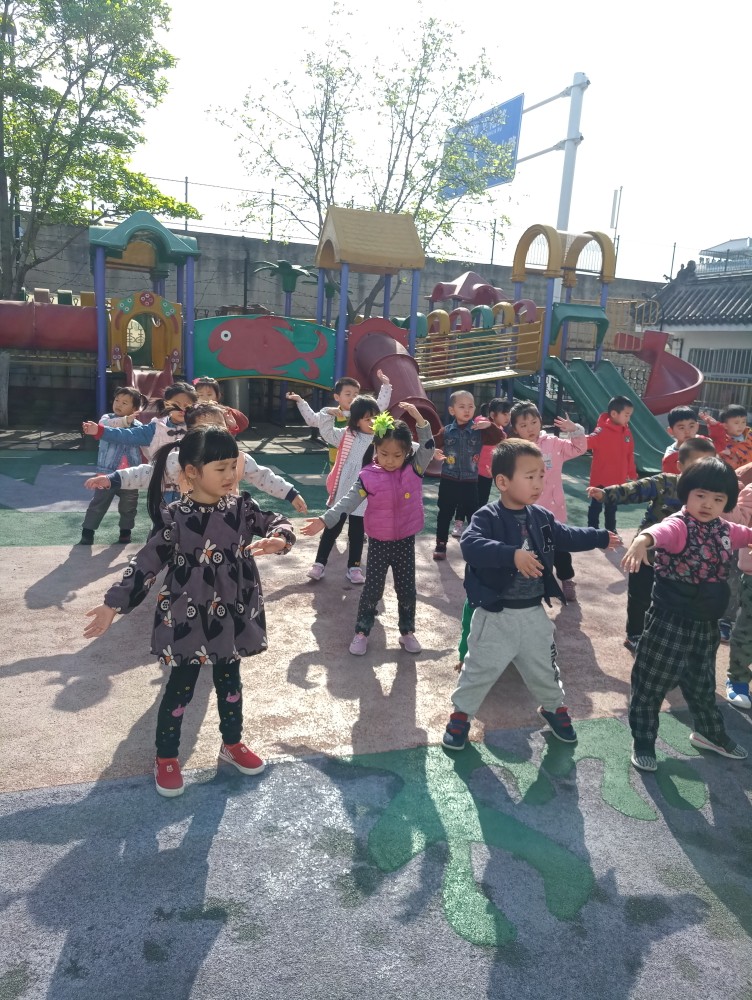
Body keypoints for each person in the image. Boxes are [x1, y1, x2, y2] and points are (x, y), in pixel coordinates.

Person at [83, 427, 295, 798]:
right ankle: (166, 756)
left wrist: (280, 538)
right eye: (221, 468)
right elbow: (146, 562)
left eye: (233, 466)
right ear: (193, 472)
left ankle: (232, 743)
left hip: (231, 614)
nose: (230, 475)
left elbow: (275, 520)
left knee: (230, 684)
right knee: (180, 688)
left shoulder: (241, 508)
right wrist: (113, 603)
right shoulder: (176, 518)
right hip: (188, 617)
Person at [442, 439, 621, 751]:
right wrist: (512, 555)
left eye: (541, 475)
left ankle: (554, 707)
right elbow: (471, 545)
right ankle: (461, 714)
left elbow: (566, 535)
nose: (538, 483)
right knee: (478, 669)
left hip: (533, 613)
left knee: (544, 669)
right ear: (502, 482)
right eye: (529, 477)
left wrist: (599, 536)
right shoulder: (487, 517)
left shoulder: (541, 517)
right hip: (495, 615)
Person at [621, 456, 752, 772]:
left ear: (727, 503)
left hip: (705, 624)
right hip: (670, 621)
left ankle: (709, 733)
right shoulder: (680, 525)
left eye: (718, 499)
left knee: (702, 685)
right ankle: (643, 741)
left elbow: (746, 534)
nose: (708, 504)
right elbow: (660, 531)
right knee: (651, 683)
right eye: (700, 495)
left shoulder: (724, 529)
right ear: (687, 494)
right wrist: (641, 540)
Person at [301, 404, 435, 655]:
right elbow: (347, 502)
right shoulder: (368, 476)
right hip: (379, 543)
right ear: (376, 449)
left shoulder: (414, 469)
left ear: (407, 452)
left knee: (407, 591)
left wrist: (419, 418)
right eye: (384, 454)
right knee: (373, 590)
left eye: (397, 455)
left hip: (405, 542)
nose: (390, 460)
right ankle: (361, 632)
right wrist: (325, 519)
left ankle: (407, 631)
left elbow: (428, 447)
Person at [588, 436, 717, 652]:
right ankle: (635, 634)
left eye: (709, 467)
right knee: (640, 597)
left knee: (674, 601)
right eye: (696, 466)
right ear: (680, 466)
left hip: (681, 563)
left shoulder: (712, 497)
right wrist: (607, 494)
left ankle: (667, 636)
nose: (703, 473)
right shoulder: (667, 483)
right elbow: (637, 489)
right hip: (647, 555)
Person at [84, 402, 308, 518]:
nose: (213, 431)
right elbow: (148, 473)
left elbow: (263, 477)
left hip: (226, 518)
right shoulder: (181, 459)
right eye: (205, 427)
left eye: (218, 426)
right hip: (190, 520)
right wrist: (113, 479)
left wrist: (290, 494)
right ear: (191, 432)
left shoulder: (238, 459)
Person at [507, 401, 588, 601]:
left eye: (533, 422)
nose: (530, 428)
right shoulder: (515, 450)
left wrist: (575, 430)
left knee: (559, 548)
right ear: (515, 429)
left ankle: (567, 579)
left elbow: (578, 448)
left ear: (540, 421)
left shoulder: (553, 443)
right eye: (523, 425)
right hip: (527, 512)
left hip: (553, 512)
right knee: (531, 549)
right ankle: (535, 585)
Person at [307, 393, 385, 583]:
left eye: (375, 417)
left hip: (363, 493)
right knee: (332, 528)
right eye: (367, 419)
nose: (373, 422)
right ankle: (319, 564)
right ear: (356, 421)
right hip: (342, 491)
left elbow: (404, 445)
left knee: (357, 532)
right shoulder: (348, 434)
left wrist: (425, 450)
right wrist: (328, 413)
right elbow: (327, 432)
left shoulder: (381, 438)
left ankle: (354, 567)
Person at [433, 390, 505, 561]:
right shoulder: (446, 431)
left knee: (473, 514)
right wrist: (433, 450)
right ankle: (441, 544)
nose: (467, 410)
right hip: (448, 480)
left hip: (470, 481)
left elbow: (499, 437)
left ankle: (476, 544)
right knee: (444, 513)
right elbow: (431, 443)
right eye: (462, 406)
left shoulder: (479, 431)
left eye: (470, 406)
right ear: (452, 410)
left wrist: (489, 426)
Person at [79, 386, 144, 546]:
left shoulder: (138, 425)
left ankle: (125, 532)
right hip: (107, 473)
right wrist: (125, 421)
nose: (118, 404)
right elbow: (105, 426)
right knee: (98, 503)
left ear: (134, 409)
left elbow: (145, 444)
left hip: (130, 475)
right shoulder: (106, 419)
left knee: (129, 506)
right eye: (117, 400)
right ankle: (88, 532)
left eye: (124, 403)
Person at [287, 371, 392, 467]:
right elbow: (312, 420)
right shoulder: (331, 414)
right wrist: (300, 401)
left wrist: (386, 386)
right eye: (348, 394)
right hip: (338, 467)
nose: (352, 398)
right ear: (337, 397)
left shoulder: (363, 413)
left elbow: (379, 406)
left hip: (363, 465)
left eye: (355, 395)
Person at [82, 381, 198, 465]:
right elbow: (126, 435)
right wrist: (100, 430)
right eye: (177, 404)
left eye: (187, 405)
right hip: (161, 483)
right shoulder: (156, 428)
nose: (182, 409)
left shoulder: (198, 428)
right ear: (166, 404)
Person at [586, 395, 636, 531]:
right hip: (600, 478)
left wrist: (632, 473)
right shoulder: (601, 431)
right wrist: (576, 432)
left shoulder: (627, 433)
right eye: (626, 415)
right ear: (614, 414)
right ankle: (592, 531)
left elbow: (629, 454)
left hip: (616, 479)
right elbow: (588, 441)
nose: (628, 419)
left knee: (611, 508)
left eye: (629, 415)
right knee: (595, 507)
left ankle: (610, 531)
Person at [472, 398, 512, 514]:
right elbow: (479, 421)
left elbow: (500, 436)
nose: (507, 417)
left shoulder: (500, 431)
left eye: (509, 414)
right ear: (493, 415)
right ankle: (460, 519)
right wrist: (488, 424)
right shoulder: (483, 422)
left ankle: (477, 519)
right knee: (469, 497)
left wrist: (490, 425)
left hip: (487, 473)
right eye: (504, 414)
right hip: (474, 470)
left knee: (483, 498)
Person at [700, 404, 752, 470]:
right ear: (725, 426)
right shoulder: (723, 443)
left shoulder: (749, 434)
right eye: (736, 423)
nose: (741, 426)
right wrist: (715, 425)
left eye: (743, 422)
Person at [661, 406, 707, 473]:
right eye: (682, 428)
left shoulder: (704, 441)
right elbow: (668, 478)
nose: (687, 431)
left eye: (691, 426)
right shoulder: (670, 457)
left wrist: (716, 427)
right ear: (671, 431)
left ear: (697, 426)